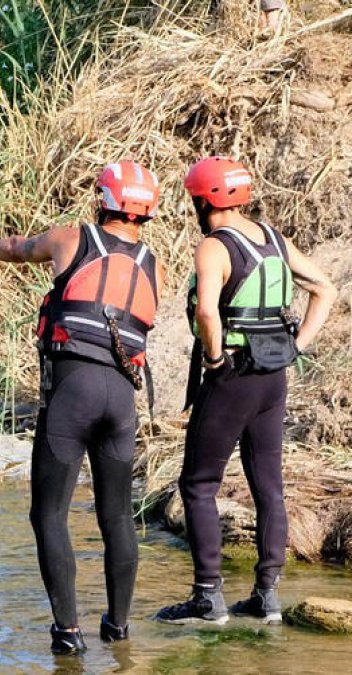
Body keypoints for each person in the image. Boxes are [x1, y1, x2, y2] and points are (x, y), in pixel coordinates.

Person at [0, 161, 165, 654]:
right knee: (116, 516)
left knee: (48, 514)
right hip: (121, 401)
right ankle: (118, 629)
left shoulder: (70, 240)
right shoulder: (152, 264)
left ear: (103, 200)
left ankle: (67, 634)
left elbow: (17, 249)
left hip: (72, 396)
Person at [154, 157, 336, 625]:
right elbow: (325, 289)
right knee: (269, 486)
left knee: (197, 485)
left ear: (201, 200)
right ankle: (266, 595)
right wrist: (296, 347)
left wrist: (214, 359)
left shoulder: (214, 247)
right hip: (274, 378)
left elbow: (208, 314)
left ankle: (207, 597)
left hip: (232, 376)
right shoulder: (273, 239)